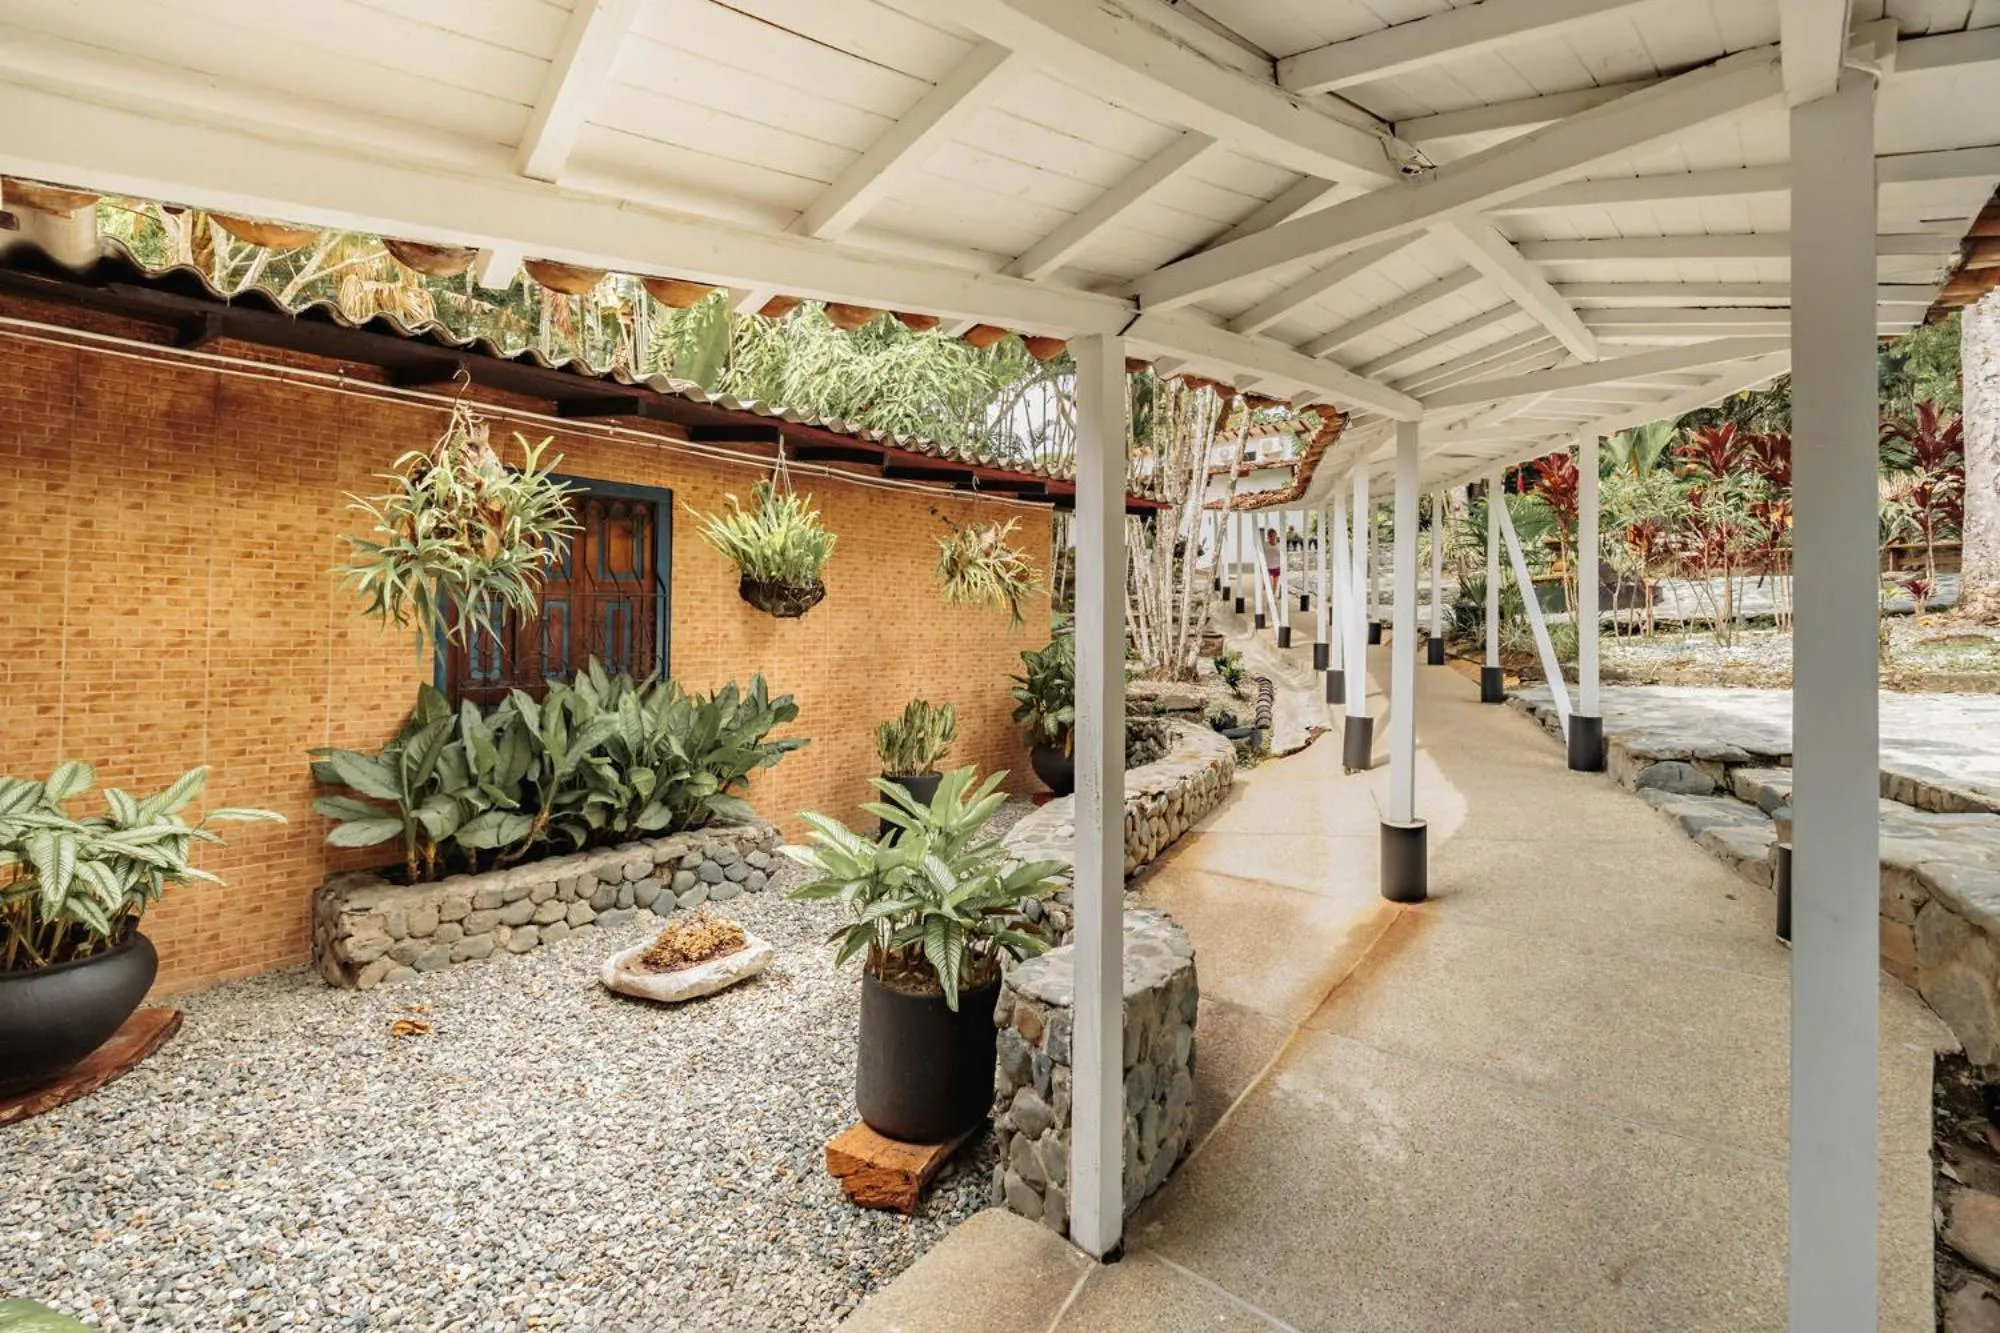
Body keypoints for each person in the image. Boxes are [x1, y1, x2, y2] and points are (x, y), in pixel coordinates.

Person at [1264, 526, 1282, 601]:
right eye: (1270, 536)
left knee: (1275, 584)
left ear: (1276, 535)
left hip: (1277, 567)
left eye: (1273, 535)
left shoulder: (1279, 545)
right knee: (1270, 584)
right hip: (1268, 568)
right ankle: (1271, 597)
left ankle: (1273, 597)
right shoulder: (1265, 545)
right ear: (1268, 537)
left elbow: (1282, 555)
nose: (1272, 537)